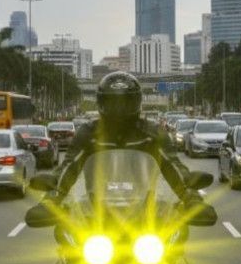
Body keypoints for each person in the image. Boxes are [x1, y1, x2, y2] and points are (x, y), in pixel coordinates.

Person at [49, 72, 196, 203]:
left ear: (137, 102)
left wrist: (190, 196)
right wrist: (52, 197)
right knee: (66, 230)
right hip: (96, 212)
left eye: (126, 103)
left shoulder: (152, 134)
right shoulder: (89, 134)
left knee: (176, 229)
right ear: (101, 103)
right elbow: (68, 166)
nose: (119, 109)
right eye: (113, 103)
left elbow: (173, 165)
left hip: (145, 212)